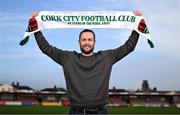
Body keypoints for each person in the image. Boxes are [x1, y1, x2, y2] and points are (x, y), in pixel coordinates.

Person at [29, 11, 144, 114]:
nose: (87, 42)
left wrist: (136, 27)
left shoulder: (107, 57)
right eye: (84, 40)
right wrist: (36, 28)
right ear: (79, 42)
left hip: (101, 112)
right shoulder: (68, 58)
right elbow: (46, 48)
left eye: (90, 39)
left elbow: (128, 47)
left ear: (95, 42)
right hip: (76, 112)